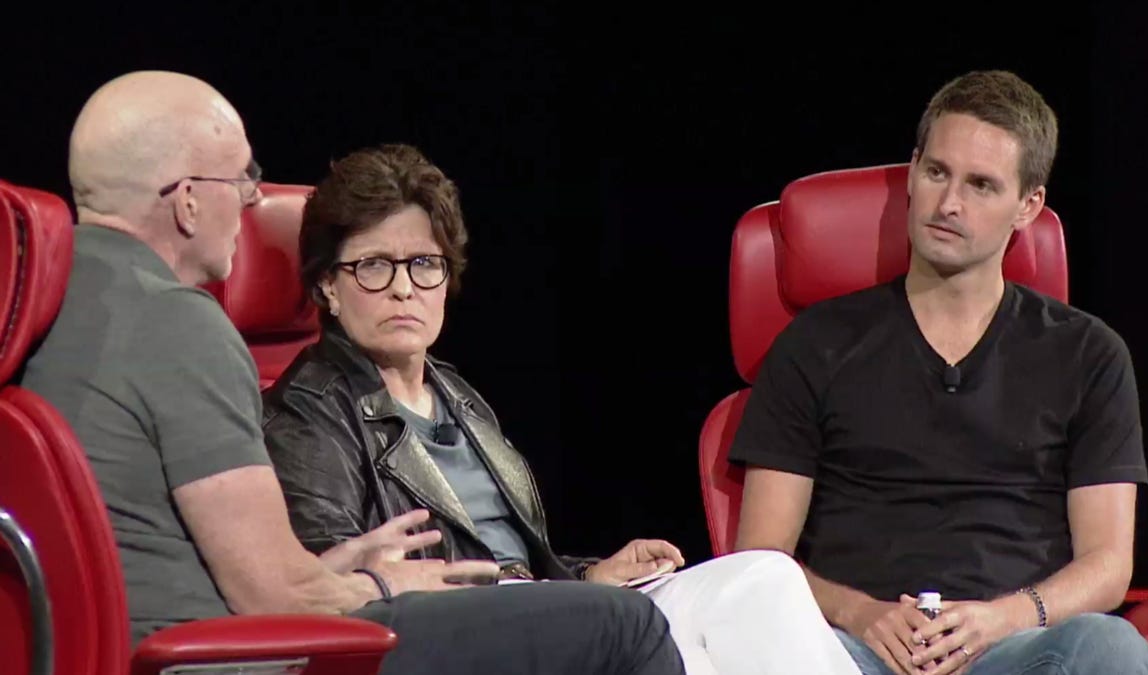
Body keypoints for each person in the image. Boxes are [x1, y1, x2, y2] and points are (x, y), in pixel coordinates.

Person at [21, 70, 687, 675]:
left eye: (423, 266)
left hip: (139, 652)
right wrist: (396, 584)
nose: (254, 203)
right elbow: (274, 596)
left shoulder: (48, 302)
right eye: (242, 179)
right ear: (189, 202)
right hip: (233, 661)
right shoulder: (179, 323)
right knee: (625, 627)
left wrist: (338, 571)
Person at [260, 142, 862, 675]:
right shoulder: (309, 414)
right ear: (327, 288)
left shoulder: (455, 394)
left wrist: (586, 576)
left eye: (423, 264)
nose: (403, 287)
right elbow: (331, 587)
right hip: (456, 632)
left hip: (538, 612)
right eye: (372, 266)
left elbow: (515, 556)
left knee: (764, 577)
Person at [727, 69, 1148, 675]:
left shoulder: (1088, 354)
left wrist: (1001, 619)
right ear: (912, 171)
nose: (949, 203)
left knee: (1110, 649)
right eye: (937, 173)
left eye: (982, 185)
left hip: (1013, 647)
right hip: (849, 649)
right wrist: (861, 614)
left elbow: (1108, 565)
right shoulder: (815, 344)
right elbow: (762, 557)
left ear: (1027, 205)